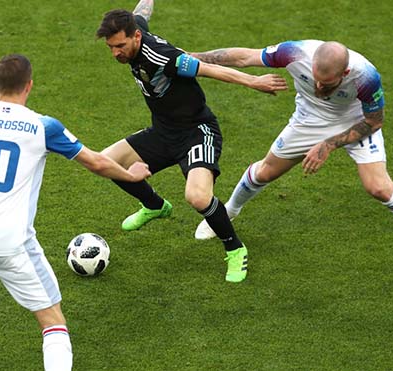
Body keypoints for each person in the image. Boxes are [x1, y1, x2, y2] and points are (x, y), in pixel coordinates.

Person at [0, 54, 151, 371]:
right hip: (10, 244)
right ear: (30, 86)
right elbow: (95, 162)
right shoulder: (43, 126)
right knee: (53, 321)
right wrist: (130, 175)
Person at [191, 40, 393, 271]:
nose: (318, 86)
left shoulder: (366, 76)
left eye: (327, 84)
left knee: (379, 187)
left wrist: (328, 145)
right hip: (309, 120)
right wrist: (194, 57)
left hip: (356, 122)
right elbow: (244, 57)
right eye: (315, 78)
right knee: (264, 172)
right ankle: (229, 212)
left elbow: (374, 121)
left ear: (346, 73)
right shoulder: (294, 52)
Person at [95, 0, 288, 283]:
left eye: (120, 46)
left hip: (196, 132)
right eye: (111, 47)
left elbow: (210, 70)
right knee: (105, 162)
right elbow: (142, 12)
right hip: (163, 132)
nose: (115, 53)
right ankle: (154, 205)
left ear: (136, 36)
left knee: (197, 196)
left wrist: (253, 82)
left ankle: (234, 248)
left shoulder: (164, 58)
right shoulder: (136, 30)